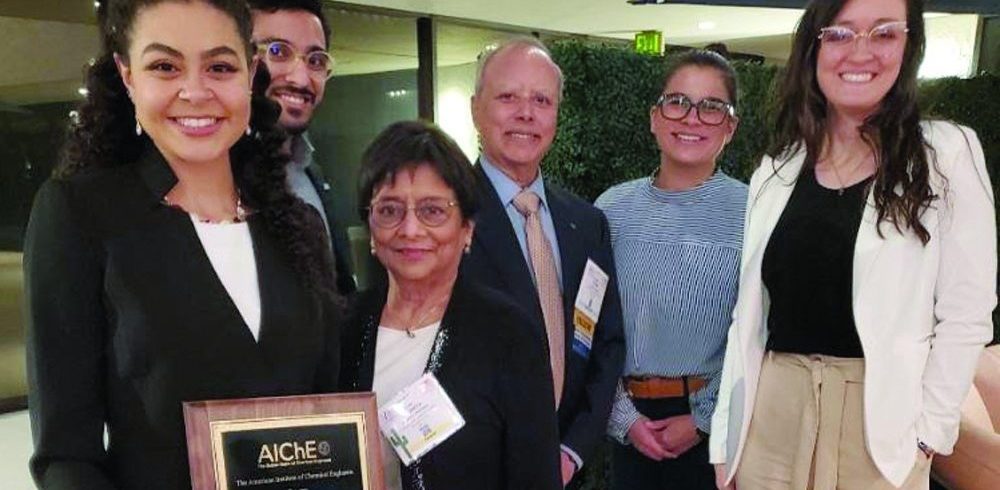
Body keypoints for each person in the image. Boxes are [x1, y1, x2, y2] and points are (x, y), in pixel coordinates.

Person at [23, 1, 340, 488]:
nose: (195, 91)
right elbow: (65, 456)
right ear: (128, 76)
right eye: (165, 67)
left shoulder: (299, 227)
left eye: (220, 67)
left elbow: (332, 420)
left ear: (250, 72)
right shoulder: (82, 216)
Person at [710, 0, 996, 489]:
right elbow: (749, 318)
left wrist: (929, 434)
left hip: (880, 431)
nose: (860, 52)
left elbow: (967, 312)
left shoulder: (945, 154)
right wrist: (726, 440)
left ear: (908, 46)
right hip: (770, 420)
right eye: (840, 33)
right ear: (814, 46)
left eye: (883, 33)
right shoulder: (778, 168)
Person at [339, 120, 562, 490]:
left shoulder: (508, 334)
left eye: (432, 211)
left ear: (467, 228)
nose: (410, 230)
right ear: (370, 228)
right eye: (390, 210)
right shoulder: (341, 328)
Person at [460, 36, 625, 486]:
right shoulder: (445, 218)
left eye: (541, 100)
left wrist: (572, 450)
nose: (526, 113)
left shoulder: (586, 223)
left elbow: (605, 345)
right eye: (507, 97)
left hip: (567, 471)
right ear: (476, 109)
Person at [595, 50, 746, 490]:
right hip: (629, 425)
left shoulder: (752, 212)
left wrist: (702, 418)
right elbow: (588, 324)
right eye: (677, 102)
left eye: (711, 107)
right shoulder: (611, 210)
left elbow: (757, 332)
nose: (691, 118)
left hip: (716, 430)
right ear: (654, 117)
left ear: (730, 127)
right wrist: (623, 418)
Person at [249, 0, 356, 294]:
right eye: (278, 52)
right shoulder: (215, 178)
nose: (300, 78)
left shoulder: (310, 172)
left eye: (316, 61)